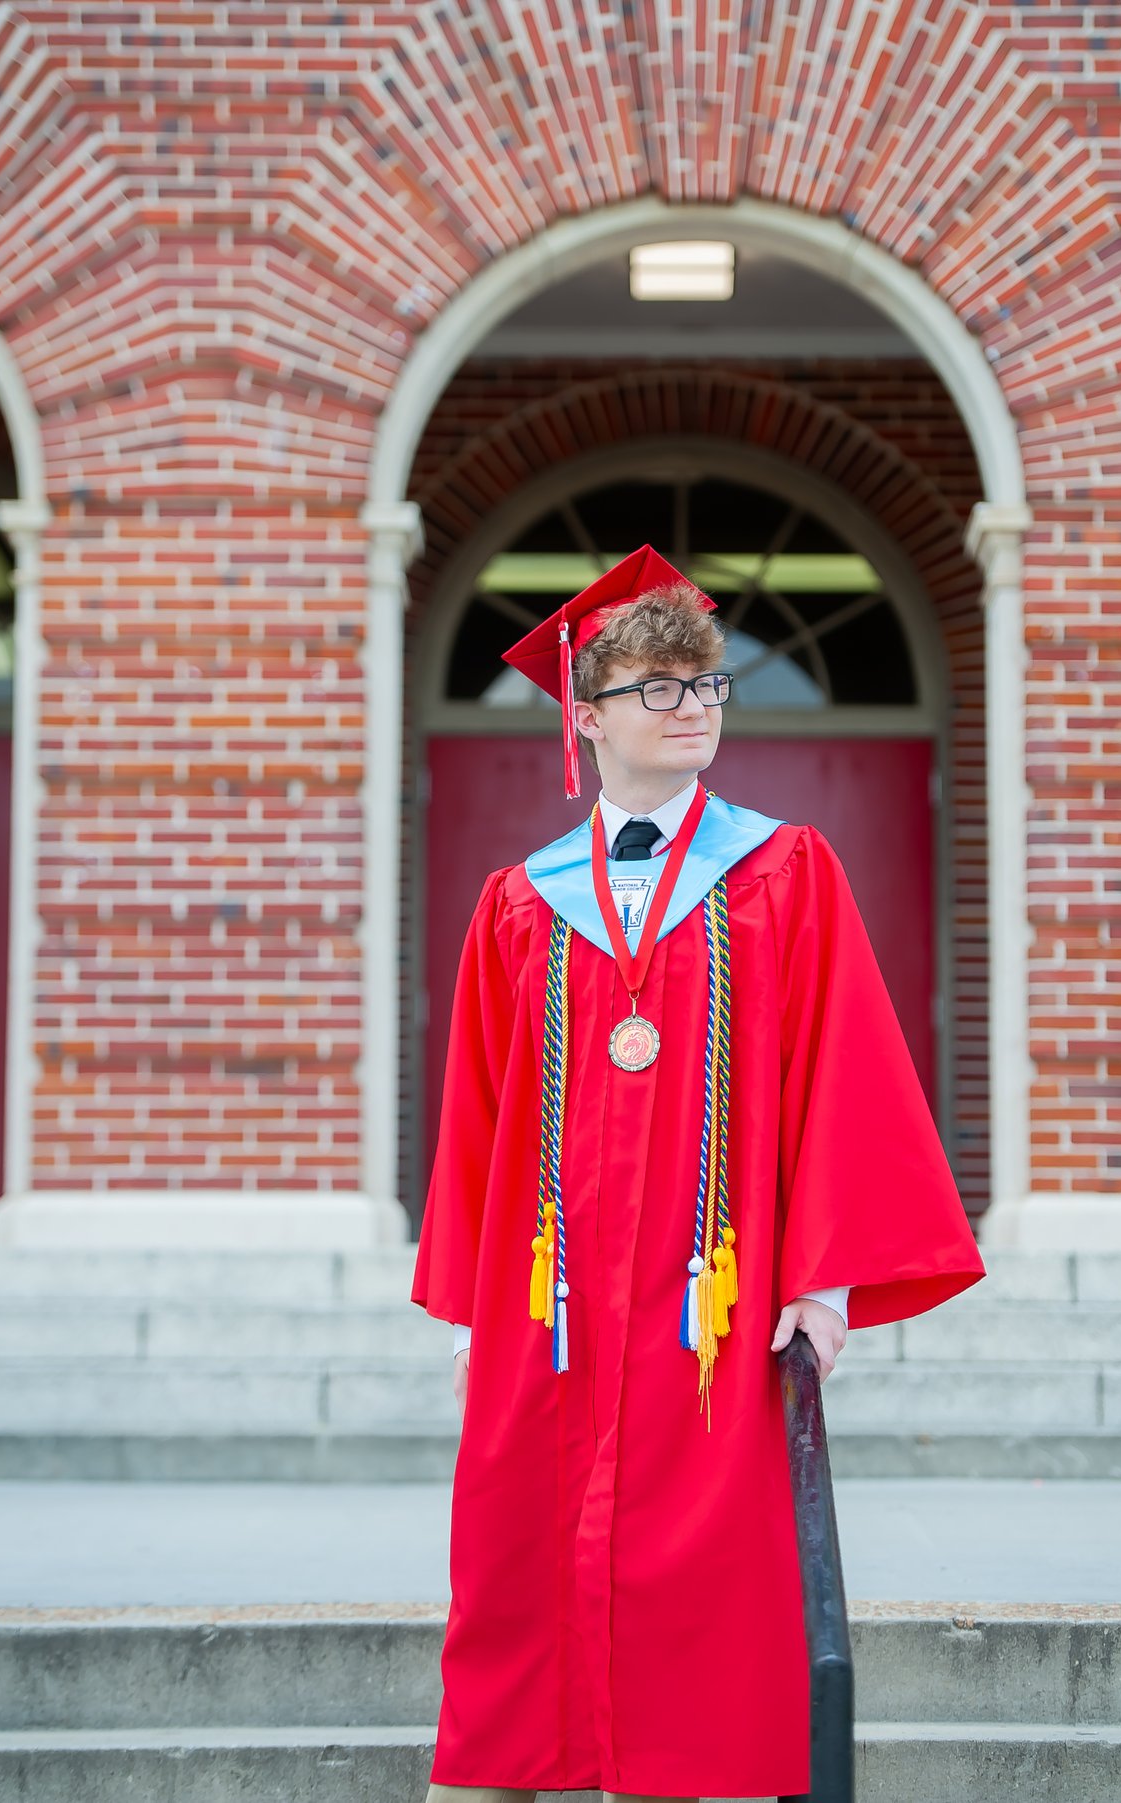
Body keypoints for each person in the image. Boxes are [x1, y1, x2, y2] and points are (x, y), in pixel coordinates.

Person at [411, 545, 985, 1802]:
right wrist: (469, 1300)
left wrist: (826, 1285)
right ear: (587, 714)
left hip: (708, 1300)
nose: (692, 711)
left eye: (708, 686)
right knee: (528, 1560)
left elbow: (847, 1077)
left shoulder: (786, 873)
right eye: (660, 690)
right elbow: (480, 1111)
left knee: (714, 1584)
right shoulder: (520, 903)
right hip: (552, 1309)